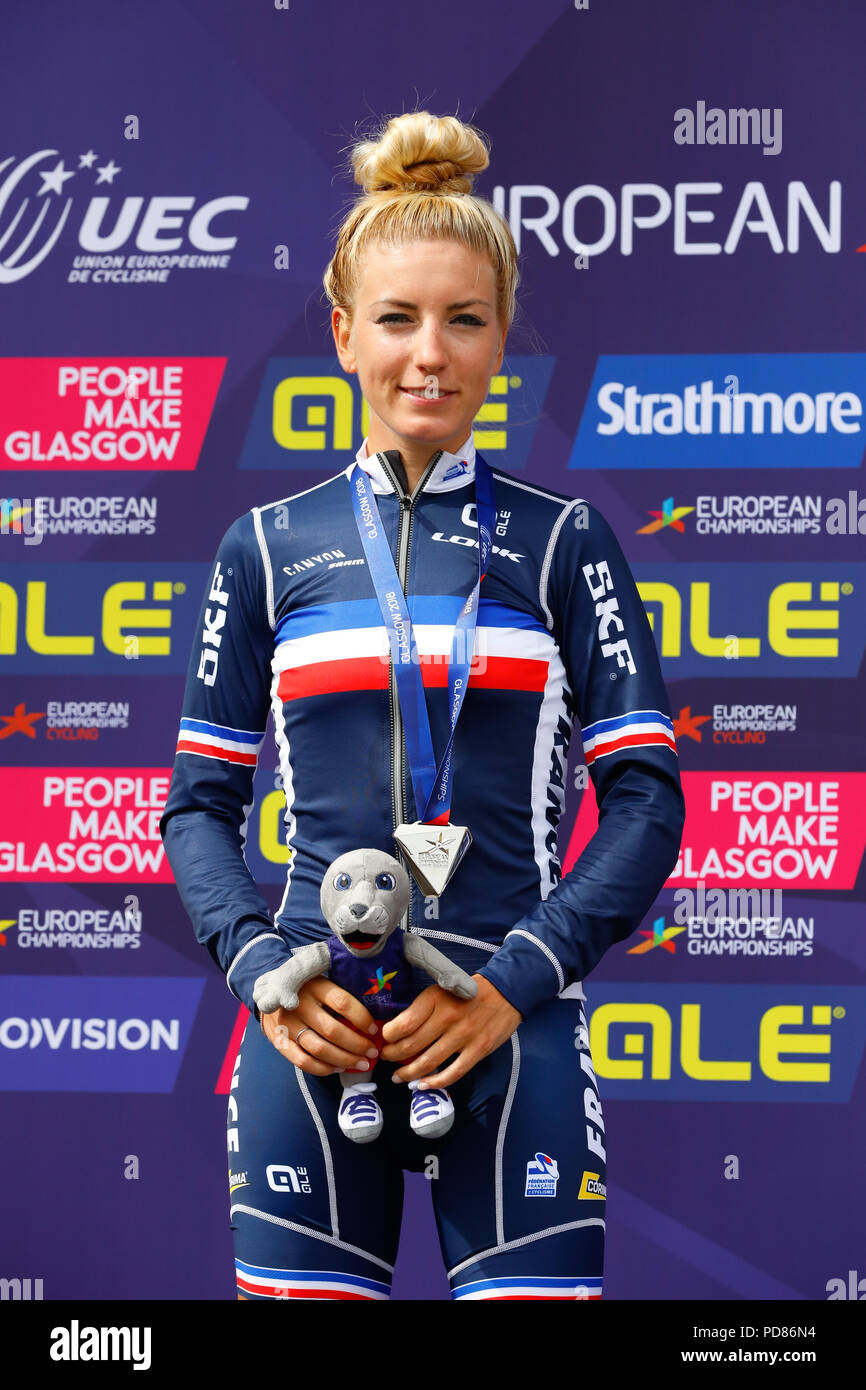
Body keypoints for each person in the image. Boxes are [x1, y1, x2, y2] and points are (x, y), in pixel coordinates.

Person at [159, 110, 685, 1301]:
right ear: (343, 333)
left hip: (513, 1025)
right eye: (395, 319)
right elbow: (197, 805)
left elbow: (645, 801)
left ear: (504, 337)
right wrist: (259, 970)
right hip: (312, 1034)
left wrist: (520, 976)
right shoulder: (265, 547)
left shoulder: (563, 541)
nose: (428, 355)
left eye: (463, 318)